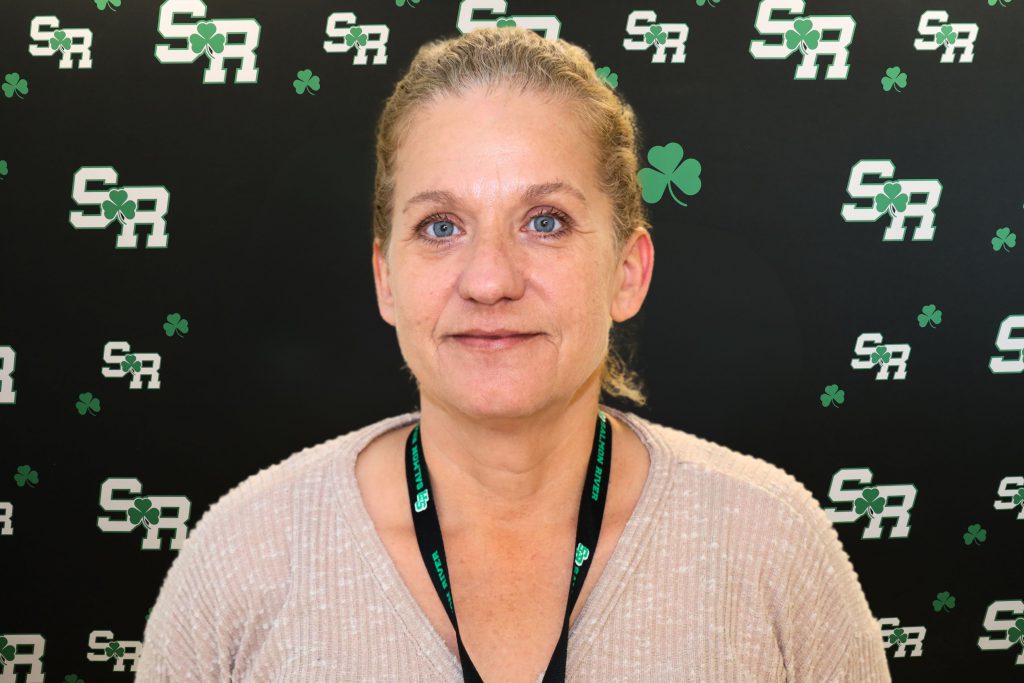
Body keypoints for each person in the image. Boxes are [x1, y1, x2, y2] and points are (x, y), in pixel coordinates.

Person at [135, 27, 891, 682]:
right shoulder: (243, 558)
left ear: (628, 271)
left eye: (546, 221)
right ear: (385, 279)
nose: (490, 278)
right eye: (439, 226)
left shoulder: (772, 544)